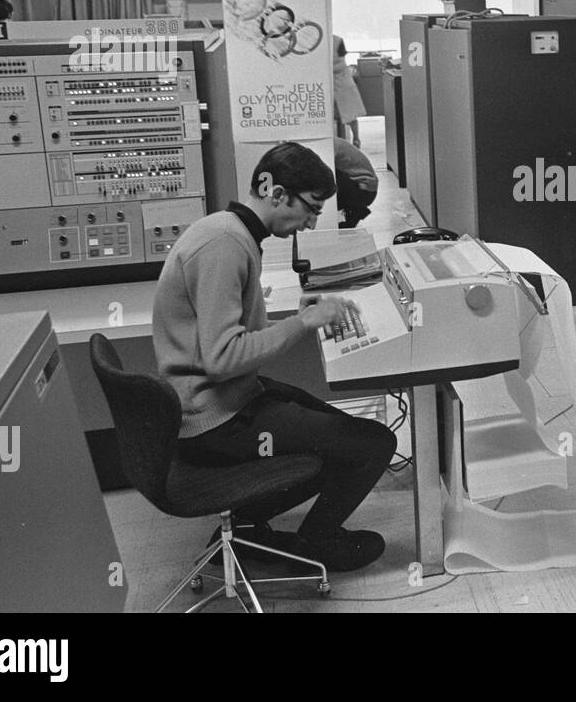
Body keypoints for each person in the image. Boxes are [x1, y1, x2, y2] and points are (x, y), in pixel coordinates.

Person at [151, 141, 396, 573]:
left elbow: (227, 341)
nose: (313, 220)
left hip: (224, 400)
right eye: (311, 207)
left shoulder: (230, 231)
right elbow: (223, 358)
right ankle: (316, 542)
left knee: (337, 428)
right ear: (277, 193)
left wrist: (301, 317)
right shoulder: (225, 245)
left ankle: (244, 531)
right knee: (372, 443)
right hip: (215, 419)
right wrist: (302, 324)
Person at [334, 135, 378, 228]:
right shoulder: (333, 142)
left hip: (364, 190)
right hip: (364, 187)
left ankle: (357, 209)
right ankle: (354, 209)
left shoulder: (329, 145)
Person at [331, 35, 366, 148]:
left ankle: (356, 139)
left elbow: (341, 61)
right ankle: (339, 141)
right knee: (334, 116)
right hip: (330, 84)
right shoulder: (323, 41)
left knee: (350, 115)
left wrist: (327, 68)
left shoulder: (337, 40)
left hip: (342, 82)